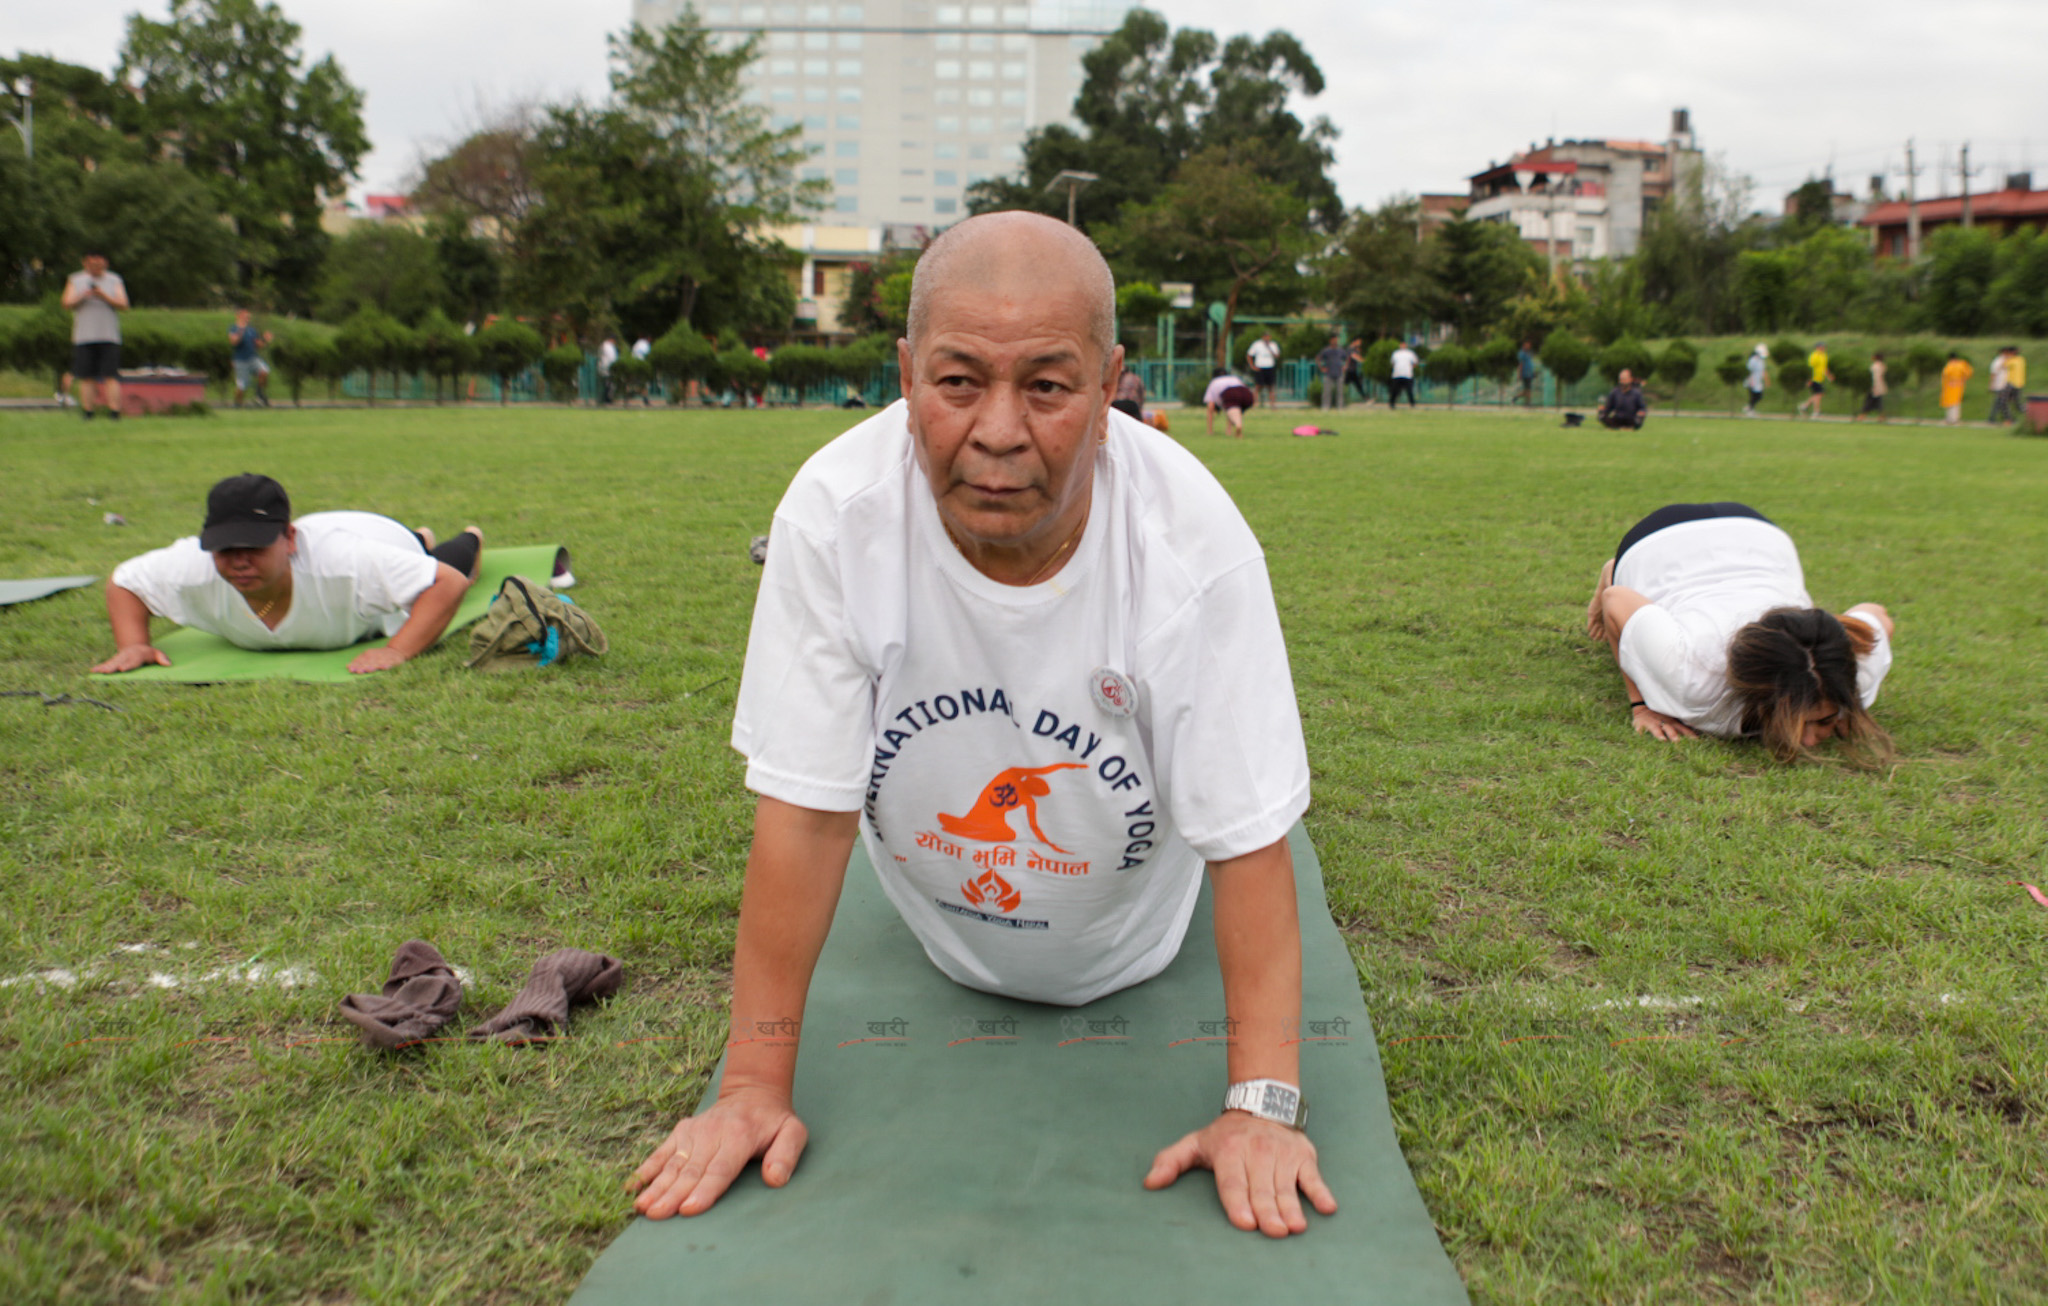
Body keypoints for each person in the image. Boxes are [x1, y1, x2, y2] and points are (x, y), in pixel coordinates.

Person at [630, 211, 1333, 1240]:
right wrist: (749, 1083)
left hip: (1132, 944)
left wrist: (1260, 1107)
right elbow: (807, 815)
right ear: (907, 373)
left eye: (1046, 386)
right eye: (958, 381)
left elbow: (1245, 843)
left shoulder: (1191, 545)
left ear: (1107, 391)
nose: (998, 430)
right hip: (939, 941)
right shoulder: (833, 514)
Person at [1584, 502, 1895, 765]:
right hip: (1655, 545)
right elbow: (1617, 600)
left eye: (1823, 720)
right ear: (1756, 689)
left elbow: (1879, 614)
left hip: (1759, 538)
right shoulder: (1691, 677)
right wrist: (1643, 705)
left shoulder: (1853, 677)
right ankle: (1617, 569)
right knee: (1625, 590)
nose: (1809, 741)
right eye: (1799, 722)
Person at [92, 474, 484, 677]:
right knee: (399, 562)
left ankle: (465, 537)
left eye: (255, 546)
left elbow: (446, 582)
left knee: (445, 560)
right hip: (352, 538)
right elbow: (124, 581)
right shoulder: (190, 564)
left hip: (378, 537)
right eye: (227, 548)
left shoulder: (345, 562)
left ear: (289, 539)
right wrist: (134, 644)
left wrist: (397, 649)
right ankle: (420, 536)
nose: (240, 561)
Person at [62, 251, 129, 421]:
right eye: (92, 265)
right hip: (84, 336)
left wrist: (103, 296)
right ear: (85, 263)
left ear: (105, 264)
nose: (95, 268)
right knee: (86, 376)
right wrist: (83, 296)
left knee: (110, 376)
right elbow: (66, 303)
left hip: (108, 336)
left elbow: (123, 304)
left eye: (99, 265)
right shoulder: (75, 280)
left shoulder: (114, 280)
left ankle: (114, 412)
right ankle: (88, 412)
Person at [228, 309, 274, 409]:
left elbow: (258, 345)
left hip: (252, 358)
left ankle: (259, 393)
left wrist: (265, 340)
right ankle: (237, 405)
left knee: (264, 371)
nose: (248, 319)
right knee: (242, 387)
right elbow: (234, 342)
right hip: (240, 361)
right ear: (239, 316)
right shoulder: (233, 328)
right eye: (246, 317)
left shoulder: (252, 330)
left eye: (249, 317)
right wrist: (241, 331)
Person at [1204, 366, 1256, 438]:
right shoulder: (1234, 378)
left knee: (1232, 408)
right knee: (1235, 409)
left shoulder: (1214, 382)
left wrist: (1210, 430)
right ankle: (1230, 430)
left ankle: (1237, 424)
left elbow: (1210, 407)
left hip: (1230, 393)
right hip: (1247, 394)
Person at [1246, 331, 1281, 409]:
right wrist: (1252, 366)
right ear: (1262, 337)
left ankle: (1272, 405)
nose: (1267, 338)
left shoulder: (1273, 345)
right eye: (1265, 336)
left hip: (1270, 367)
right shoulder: (1257, 344)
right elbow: (1249, 355)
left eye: (1268, 336)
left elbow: (1277, 356)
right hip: (1260, 367)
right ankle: (1254, 404)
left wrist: (1270, 349)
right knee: (1258, 386)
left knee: (1271, 386)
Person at [1315, 334, 1348, 411]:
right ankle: (1325, 407)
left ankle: (1340, 407)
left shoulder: (1341, 350)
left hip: (1339, 373)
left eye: (1336, 340)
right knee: (1326, 392)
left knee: (1340, 392)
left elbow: (1347, 358)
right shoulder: (1326, 350)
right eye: (1333, 340)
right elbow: (1318, 358)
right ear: (1330, 341)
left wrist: (1345, 367)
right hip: (1329, 373)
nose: (1335, 341)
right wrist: (1321, 368)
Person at [1940, 352, 1973, 426]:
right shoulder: (1962, 364)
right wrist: (1963, 380)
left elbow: (1945, 374)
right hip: (1958, 385)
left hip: (1950, 385)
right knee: (1955, 402)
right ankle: (1953, 419)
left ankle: (1951, 419)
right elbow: (1969, 373)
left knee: (1952, 403)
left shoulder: (1950, 365)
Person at [1798, 342, 1830, 419]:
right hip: (1814, 378)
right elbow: (1810, 368)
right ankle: (1816, 411)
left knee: (1818, 394)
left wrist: (1829, 375)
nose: (1824, 348)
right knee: (1818, 394)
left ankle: (1804, 406)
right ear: (1817, 347)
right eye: (1822, 347)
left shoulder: (1824, 356)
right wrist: (1808, 379)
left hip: (1820, 378)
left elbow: (1824, 367)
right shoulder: (1814, 356)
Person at [1855, 351, 1888, 422]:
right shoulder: (1882, 365)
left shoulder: (1876, 366)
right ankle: (1881, 417)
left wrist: (1875, 387)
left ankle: (1861, 416)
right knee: (1877, 402)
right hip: (1879, 386)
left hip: (1876, 387)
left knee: (1870, 402)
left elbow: (1876, 377)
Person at [1388, 341, 1419, 408]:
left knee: (1409, 390)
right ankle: (1392, 404)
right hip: (1397, 374)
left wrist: (1410, 368)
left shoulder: (1410, 353)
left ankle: (1412, 404)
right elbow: (1392, 363)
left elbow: (1415, 362)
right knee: (1394, 390)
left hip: (1407, 374)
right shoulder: (1396, 353)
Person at [1744, 343, 1769, 417]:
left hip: (1758, 381)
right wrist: (1751, 381)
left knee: (1759, 396)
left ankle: (1749, 408)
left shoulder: (1761, 360)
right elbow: (1749, 371)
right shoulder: (1753, 360)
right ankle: (1749, 410)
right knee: (1753, 396)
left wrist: (1766, 380)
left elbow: (1763, 370)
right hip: (1752, 381)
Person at [2005, 346, 2028, 423]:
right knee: (2012, 402)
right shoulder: (2021, 359)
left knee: (2011, 402)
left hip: (2013, 384)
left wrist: (2008, 357)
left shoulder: (2012, 360)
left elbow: (2003, 365)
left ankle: (2029, 412)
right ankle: (2010, 418)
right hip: (2016, 383)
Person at [597, 336, 620, 405]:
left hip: (604, 367)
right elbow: (612, 358)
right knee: (609, 385)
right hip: (608, 368)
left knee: (607, 384)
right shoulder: (608, 346)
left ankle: (606, 399)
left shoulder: (604, 345)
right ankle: (607, 400)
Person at [1516, 340, 1538, 405]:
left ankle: (1516, 397)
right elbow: (1520, 364)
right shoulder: (1521, 353)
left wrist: (1533, 372)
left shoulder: (1528, 353)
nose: (1528, 347)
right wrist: (1519, 374)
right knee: (1528, 390)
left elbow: (1530, 363)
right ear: (1524, 345)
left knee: (1526, 390)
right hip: (1525, 373)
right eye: (1527, 345)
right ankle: (1528, 403)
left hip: (1529, 373)